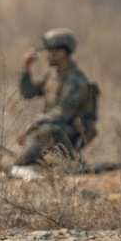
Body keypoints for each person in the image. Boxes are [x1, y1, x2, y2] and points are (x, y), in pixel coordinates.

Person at [14, 27, 95, 167]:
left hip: (70, 134)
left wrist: (32, 125)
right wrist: (26, 69)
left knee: (48, 130)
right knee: (45, 131)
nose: (46, 55)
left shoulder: (74, 81)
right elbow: (28, 93)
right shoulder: (53, 75)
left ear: (62, 52)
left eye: (49, 51)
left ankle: (71, 162)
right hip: (54, 130)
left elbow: (62, 114)